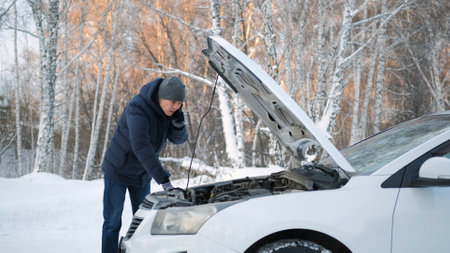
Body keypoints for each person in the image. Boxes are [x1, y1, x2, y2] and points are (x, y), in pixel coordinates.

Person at [101, 76, 188, 253]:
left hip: (141, 174)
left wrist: (179, 126)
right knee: (112, 222)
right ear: (161, 97)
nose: (175, 106)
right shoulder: (137, 108)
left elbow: (178, 140)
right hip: (118, 170)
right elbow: (141, 146)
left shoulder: (169, 113)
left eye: (179, 103)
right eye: (172, 102)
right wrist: (164, 180)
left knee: (143, 223)